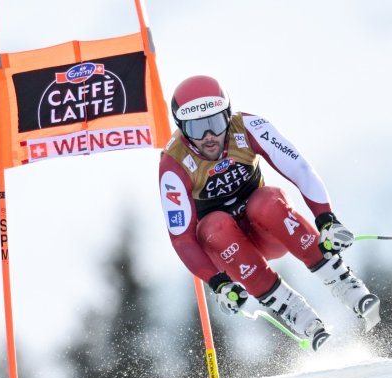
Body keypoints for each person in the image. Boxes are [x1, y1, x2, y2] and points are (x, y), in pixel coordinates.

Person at [159, 75, 380, 351]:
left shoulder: (248, 126)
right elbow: (181, 238)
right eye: (196, 129)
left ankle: (345, 284)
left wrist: (327, 219)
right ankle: (302, 319)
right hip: (227, 248)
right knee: (214, 225)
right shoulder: (174, 162)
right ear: (181, 128)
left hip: (267, 229)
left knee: (266, 201)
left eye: (215, 124)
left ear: (228, 115)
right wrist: (219, 284)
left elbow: (299, 169)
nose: (208, 137)